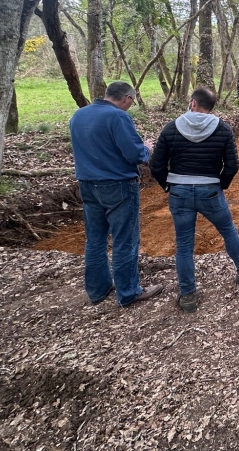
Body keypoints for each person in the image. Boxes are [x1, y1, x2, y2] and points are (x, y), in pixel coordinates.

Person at [148, 87, 239, 313]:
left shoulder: (171, 128)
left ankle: (188, 294)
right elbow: (232, 165)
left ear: (193, 103)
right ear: (211, 107)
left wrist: (168, 185)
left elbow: (156, 164)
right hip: (210, 190)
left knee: (183, 244)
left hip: (179, 192)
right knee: (228, 229)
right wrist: (221, 184)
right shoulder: (223, 129)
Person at [69, 81, 164, 307]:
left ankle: (97, 290)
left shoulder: (78, 115)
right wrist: (147, 148)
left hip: (87, 184)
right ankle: (129, 291)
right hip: (117, 184)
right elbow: (134, 154)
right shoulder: (118, 117)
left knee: (95, 239)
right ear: (128, 99)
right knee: (125, 239)